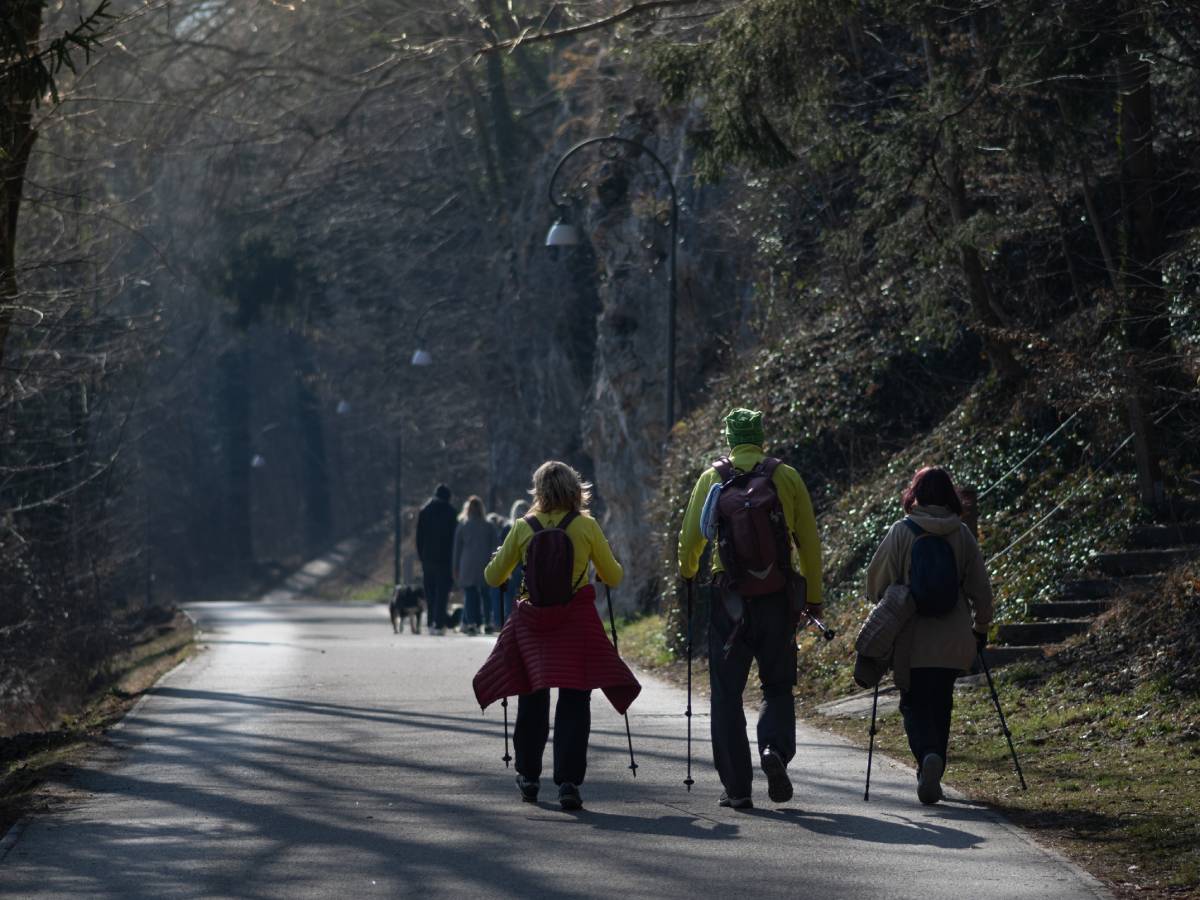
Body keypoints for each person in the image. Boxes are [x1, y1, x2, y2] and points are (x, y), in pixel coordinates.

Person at [677, 408, 823, 810]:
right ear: (760, 436)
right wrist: (813, 596)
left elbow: (691, 539)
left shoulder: (712, 479)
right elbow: (808, 542)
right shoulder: (786, 476)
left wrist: (688, 573)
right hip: (778, 595)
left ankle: (738, 789)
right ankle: (773, 749)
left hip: (729, 599)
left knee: (726, 694)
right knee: (777, 684)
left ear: (729, 438)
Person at [473, 461, 637, 811]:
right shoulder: (586, 526)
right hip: (575, 622)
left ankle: (529, 776)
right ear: (575, 490)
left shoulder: (522, 527)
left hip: (533, 625)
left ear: (539, 491)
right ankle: (568, 782)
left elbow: (492, 577)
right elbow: (613, 577)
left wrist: (503, 558)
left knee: (533, 698)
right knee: (575, 700)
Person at [865, 466, 993, 804]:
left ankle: (927, 757)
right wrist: (980, 630)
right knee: (941, 703)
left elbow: (875, 585)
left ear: (915, 494)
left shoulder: (901, 531)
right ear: (950, 495)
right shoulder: (962, 533)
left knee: (912, 703)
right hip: (953, 639)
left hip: (912, 638)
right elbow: (982, 590)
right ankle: (935, 761)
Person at [416, 484, 457, 635]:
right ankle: (439, 624)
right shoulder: (451, 512)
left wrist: (422, 556)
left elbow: (419, 537)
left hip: (428, 558)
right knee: (442, 592)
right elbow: (454, 538)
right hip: (445, 559)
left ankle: (430, 621)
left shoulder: (425, 511)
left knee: (430, 592)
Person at [453, 496, 497, 635]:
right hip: (485, 563)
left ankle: (471, 623)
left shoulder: (463, 525)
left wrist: (455, 567)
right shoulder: (489, 526)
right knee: (486, 594)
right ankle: (488, 622)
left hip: (467, 564)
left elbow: (457, 549)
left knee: (470, 594)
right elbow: (496, 547)